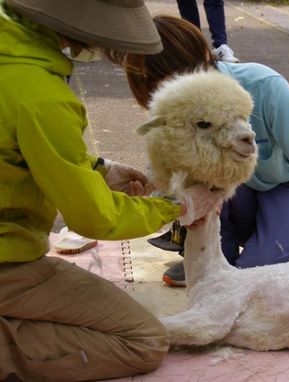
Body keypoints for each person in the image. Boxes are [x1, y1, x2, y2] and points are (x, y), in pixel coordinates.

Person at [0, 1, 218, 380]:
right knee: (144, 339)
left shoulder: (14, 53)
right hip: (8, 258)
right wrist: (175, 206)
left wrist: (98, 170)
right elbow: (95, 217)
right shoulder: (40, 93)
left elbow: (19, 151)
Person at [113, 15, 289, 287]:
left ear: (204, 56)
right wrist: (151, 194)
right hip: (233, 196)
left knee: (256, 278)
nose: (169, 92)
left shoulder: (263, 84)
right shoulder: (172, 106)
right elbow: (169, 170)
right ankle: (214, 254)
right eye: (157, 89)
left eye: (177, 79)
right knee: (213, 274)